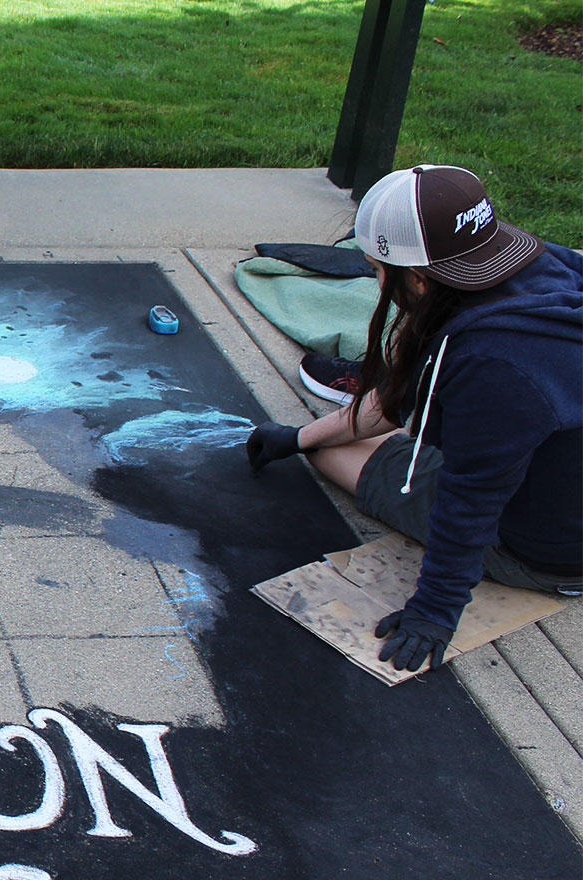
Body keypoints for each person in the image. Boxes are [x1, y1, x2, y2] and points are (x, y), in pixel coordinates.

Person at [247, 165, 582, 672]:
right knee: (357, 433)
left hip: (550, 553)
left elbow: (469, 503)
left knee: (331, 454)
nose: (377, 280)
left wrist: (435, 610)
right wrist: (295, 435)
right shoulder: (551, 269)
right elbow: (400, 400)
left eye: (378, 269)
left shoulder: (491, 365)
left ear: (420, 279)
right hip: (560, 482)